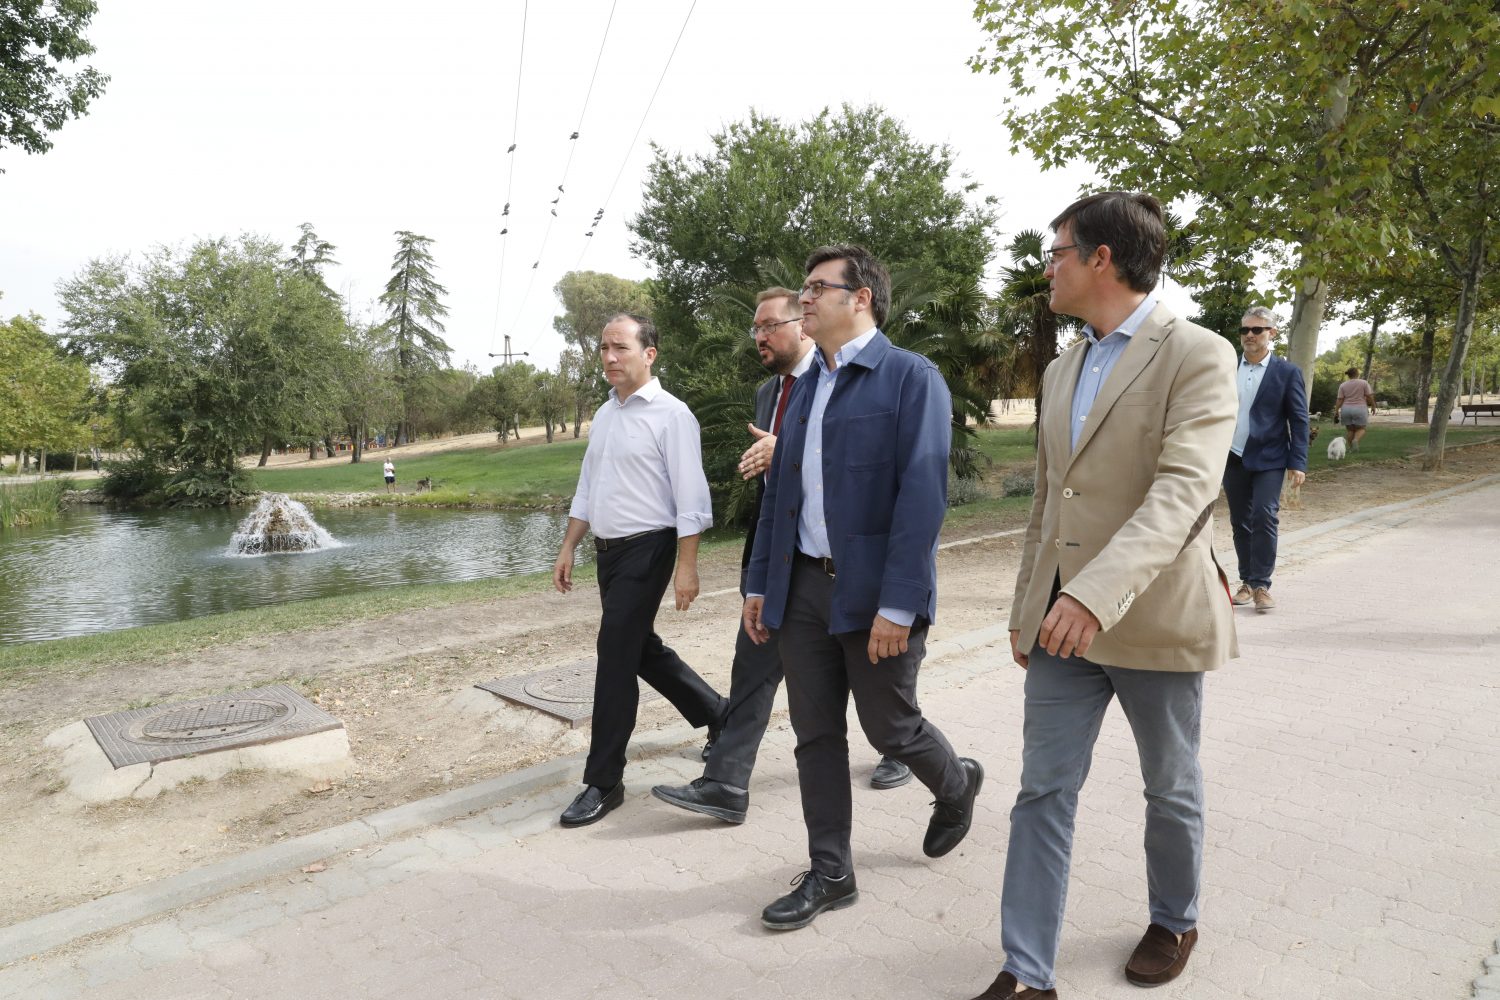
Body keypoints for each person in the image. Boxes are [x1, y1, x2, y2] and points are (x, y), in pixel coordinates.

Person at [969, 193, 1238, 1000]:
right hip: (1060, 624)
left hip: (1152, 615)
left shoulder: (1198, 353)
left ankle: (1174, 919)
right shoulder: (1063, 367)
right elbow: (1049, 503)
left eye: (1057, 252)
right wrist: (1029, 607)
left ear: (1101, 258)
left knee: (1170, 786)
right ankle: (1027, 972)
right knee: (1042, 791)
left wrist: (1091, 596)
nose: (1047, 268)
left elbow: (1183, 494)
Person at [742, 245, 982, 932]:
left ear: (861, 298)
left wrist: (899, 603)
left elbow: (922, 497)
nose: (805, 298)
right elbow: (781, 495)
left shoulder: (910, 378)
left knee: (890, 727)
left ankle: (956, 783)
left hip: (874, 594)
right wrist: (759, 582)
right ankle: (831, 872)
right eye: (804, 288)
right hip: (801, 590)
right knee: (815, 735)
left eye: (818, 287)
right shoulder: (803, 386)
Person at [652, 288, 909, 826]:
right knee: (753, 661)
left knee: (873, 675)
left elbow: (869, 464)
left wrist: (786, 450)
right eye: (756, 328)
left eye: (770, 325)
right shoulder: (768, 392)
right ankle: (726, 784)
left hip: (841, 558)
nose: (760, 337)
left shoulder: (846, 379)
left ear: (803, 325)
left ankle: (907, 750)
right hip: (778, 552)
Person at [552, 313, 727, 828]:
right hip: (607, 553)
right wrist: (569, 546)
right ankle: (721, 714)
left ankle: (604, 780)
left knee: (614, 655)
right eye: (604, 348)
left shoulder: (672, 415)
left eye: (620, 348)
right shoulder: (606, 413)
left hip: (649, 549)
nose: (609, 357)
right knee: (636, 647)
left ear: (649, 354)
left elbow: (691, 497)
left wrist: (687, 567)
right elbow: (588, 486)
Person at [1221, 306, 1309, 613]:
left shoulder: (1287, 373)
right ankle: (1246, 581)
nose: (1249, 335)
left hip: (1270, 456)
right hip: (1231, 455)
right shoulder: (1226, 368)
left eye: (1256, 330)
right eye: (1244, 330)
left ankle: (1261, 585)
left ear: (1271, 333)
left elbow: (1299, 420)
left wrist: (1298, 462)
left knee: (1264, 515)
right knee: (1240, 520)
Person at [1335, 366, 1375, 451]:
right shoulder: (1364, 383)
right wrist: (1373, 406)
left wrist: (1336, 411)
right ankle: (1355, 440)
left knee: (1350, 430)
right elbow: (1369, 396)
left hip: (1346, 409)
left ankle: (1351, 449)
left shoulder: (1343, 385)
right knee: (1361, 428)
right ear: (1357, 373)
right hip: (1360, 408)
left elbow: (1340, 399)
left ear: (1348, 375)